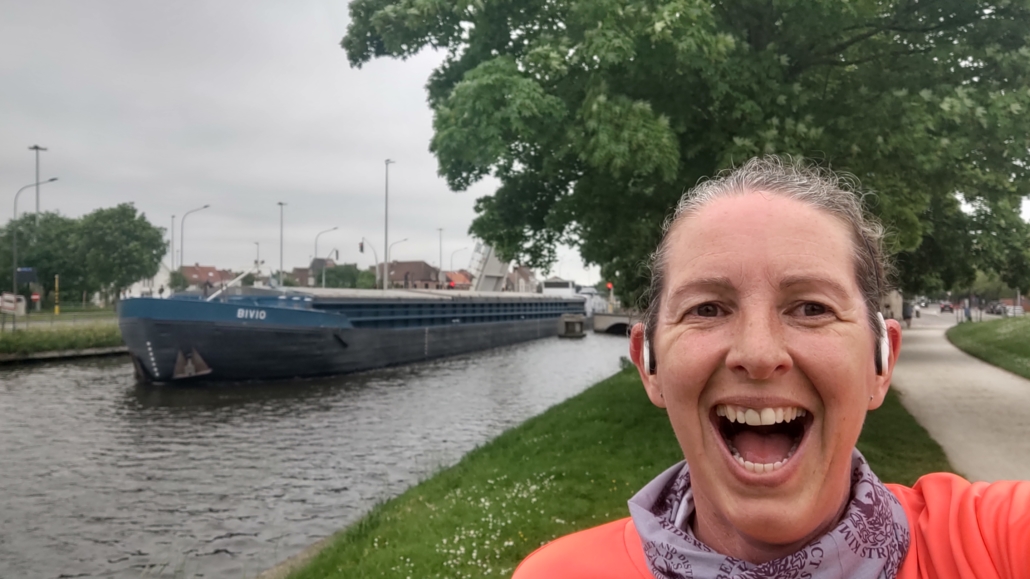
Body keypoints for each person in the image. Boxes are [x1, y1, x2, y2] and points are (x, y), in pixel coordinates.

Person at [513, 157, 1029, 579]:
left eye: (811, 308)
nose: (758, 355)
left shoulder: (992, 543)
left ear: (881, 361)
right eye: (707, 309)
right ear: (649, 365)